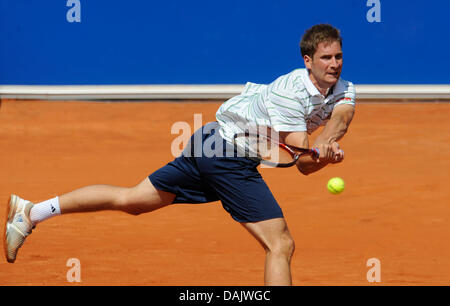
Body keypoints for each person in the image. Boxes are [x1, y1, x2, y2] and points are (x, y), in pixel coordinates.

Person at [4, 24, 355, 286]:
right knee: (280, 244)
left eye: (339, 56)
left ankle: (31, 212)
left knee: (133, 199)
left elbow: (321, 144)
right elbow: (298, 144)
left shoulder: (345, 90)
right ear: (307, 61)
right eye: (326, 57)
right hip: (227, 156)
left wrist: (324, 151)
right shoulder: (290, 92)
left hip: (211, 142)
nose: (335, 64)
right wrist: (319, 147)